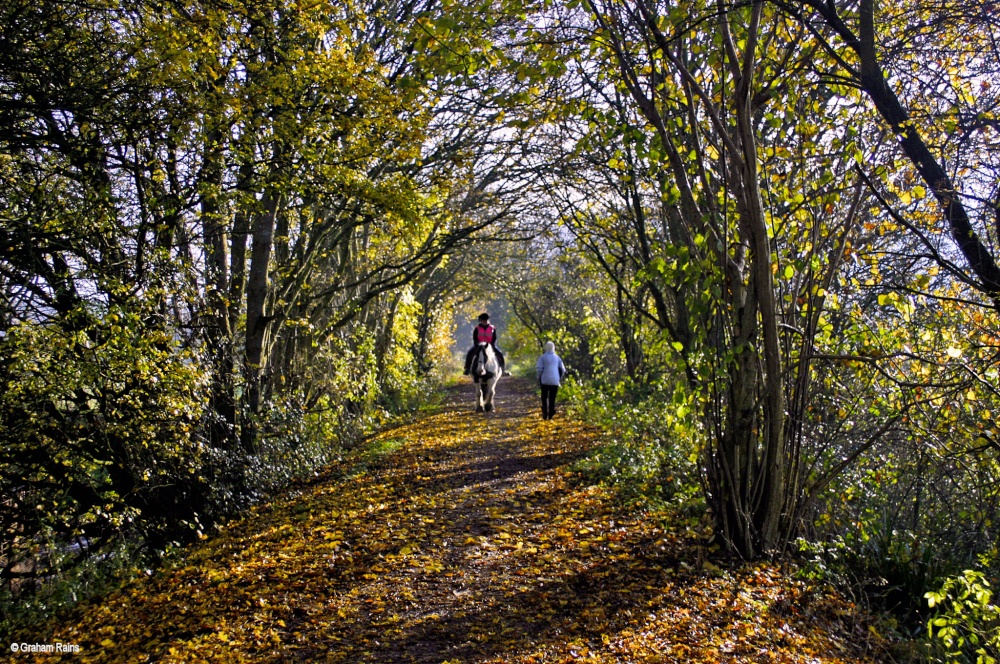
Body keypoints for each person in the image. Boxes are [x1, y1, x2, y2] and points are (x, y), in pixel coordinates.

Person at [535, 341, 567, 420]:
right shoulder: (557, 358)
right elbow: (563, 369)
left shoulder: (542, 357)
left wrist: (538, 377)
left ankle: (545, 411)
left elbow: (539, 369)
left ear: (546, 348)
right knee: (552, 398)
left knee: (544, 397)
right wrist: (559, 377)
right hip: (555, 381)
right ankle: (551, 412)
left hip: (544, 380)